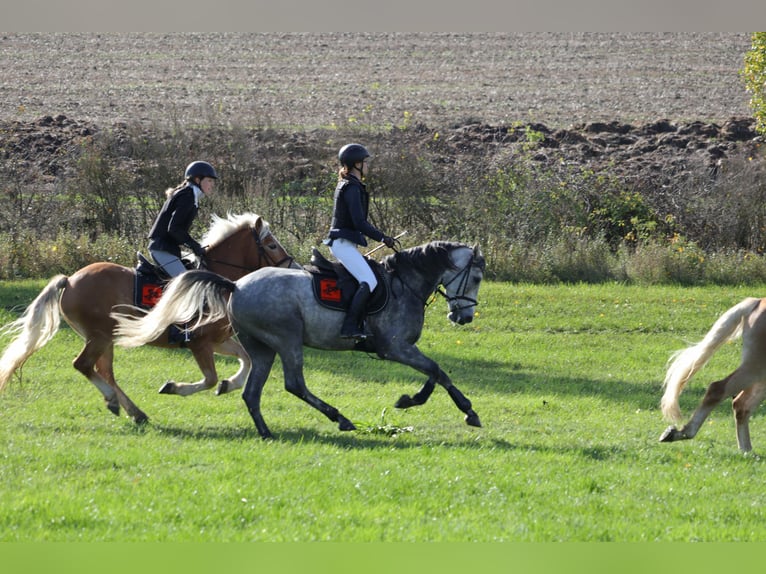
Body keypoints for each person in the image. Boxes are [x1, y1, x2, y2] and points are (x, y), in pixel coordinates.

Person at [324, 143, 395, 339]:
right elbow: (360, 223)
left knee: (367, 277)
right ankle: (349, 327)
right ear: (356, 164)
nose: (367, 166)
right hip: (342, 245)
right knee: (369, 281)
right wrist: (383, 237)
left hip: (345, 244)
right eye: (365, 162)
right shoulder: (351, 188)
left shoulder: (350, 185)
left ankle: (361, 321)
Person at [148, 160, 217, 278]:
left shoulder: (189, 195)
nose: (212, 185)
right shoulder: (187, 196)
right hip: (162, 249)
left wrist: (195, 246)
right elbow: (174, 228)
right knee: (188, 282)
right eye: (209, 180)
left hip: (169, 248)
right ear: (197, 180)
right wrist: (194, 245)